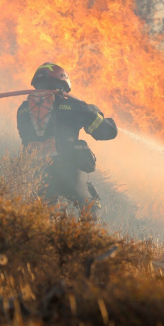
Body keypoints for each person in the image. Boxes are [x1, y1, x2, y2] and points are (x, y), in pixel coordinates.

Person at [16, 63, 118, 214]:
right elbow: (107, 131)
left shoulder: (23, 110)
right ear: (61, 83)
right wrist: (94, 112)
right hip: (68, 171)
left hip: (36, 174)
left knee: (41, 216)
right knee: (91, 205)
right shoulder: (74, 106)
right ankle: (86, 235)